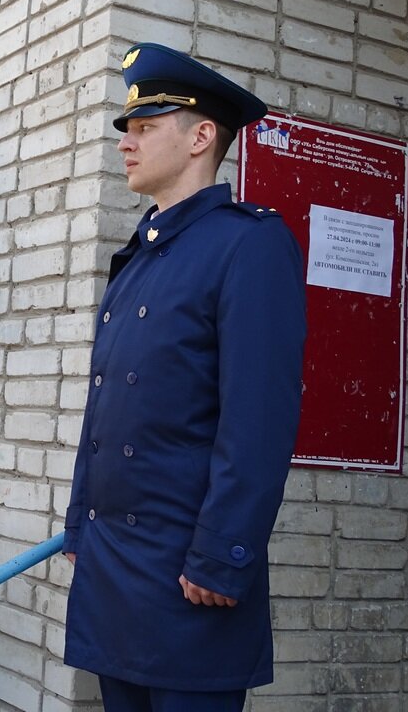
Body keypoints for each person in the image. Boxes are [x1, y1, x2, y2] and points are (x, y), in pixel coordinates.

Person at [62, 42, 307, 712]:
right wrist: (80, 525)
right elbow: (103, 409)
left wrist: (223, 555)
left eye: (145, 128)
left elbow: (257, 420)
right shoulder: (138, 255)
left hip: (186, 572)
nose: (126, 143)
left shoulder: (247, 244)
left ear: (201, 136)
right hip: (115, 566)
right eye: (127, 130)